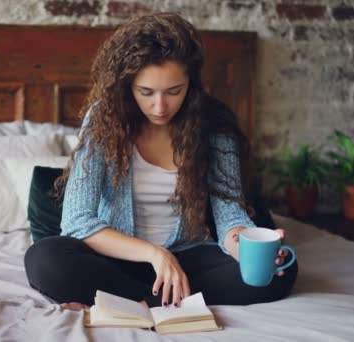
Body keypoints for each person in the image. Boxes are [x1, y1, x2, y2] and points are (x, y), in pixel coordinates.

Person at [24, 12, 297, 311]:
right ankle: (166, 301)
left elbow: (230, 216)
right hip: (117, 258)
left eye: (173, 91)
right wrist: (155, 254)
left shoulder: (214, 125)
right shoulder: (105, 119)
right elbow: (77, 222)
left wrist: (247, 249)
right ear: (127, 85)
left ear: (190, 85)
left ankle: (131, 301)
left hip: (189, 259)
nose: (160, 106)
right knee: (43, 259)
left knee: (281, 272)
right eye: (146, 92)